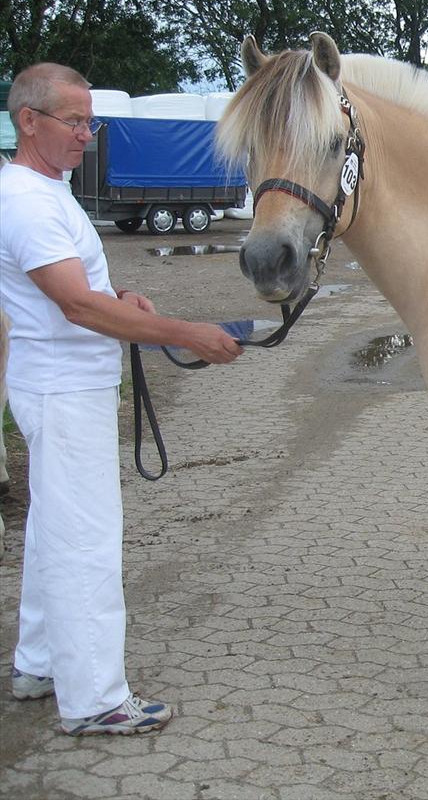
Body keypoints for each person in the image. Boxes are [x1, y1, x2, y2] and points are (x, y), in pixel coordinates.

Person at [0, 63, 243, 736]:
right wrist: (185, 332)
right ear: (29, 120)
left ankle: (41, 661)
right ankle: (95, 698)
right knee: (85, 542)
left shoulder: (47, 190)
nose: (87, 134)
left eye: (89, 120)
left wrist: (122, 303)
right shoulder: (26, 199)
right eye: (74, 121)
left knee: (55, 531)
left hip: (64, 384)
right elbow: (75, 306)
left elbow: (80, 294)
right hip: (62, 388)